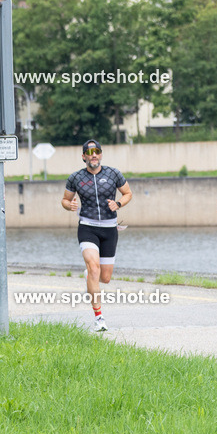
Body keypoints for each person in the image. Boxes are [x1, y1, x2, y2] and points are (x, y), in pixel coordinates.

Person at [61, 140, 132, 332]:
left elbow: (127, 193)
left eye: (97, 152)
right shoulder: (75, 177)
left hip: (109, 228)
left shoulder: (113, 173)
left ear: (101, 154)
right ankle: (99, 317)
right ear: (83, 156)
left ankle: (90, 277)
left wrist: (118, 204)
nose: (94, 155)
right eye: (90, 152)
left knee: (105, 277)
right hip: (87, 226)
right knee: (94, 267)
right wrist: (70, 205)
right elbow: (65, 200)